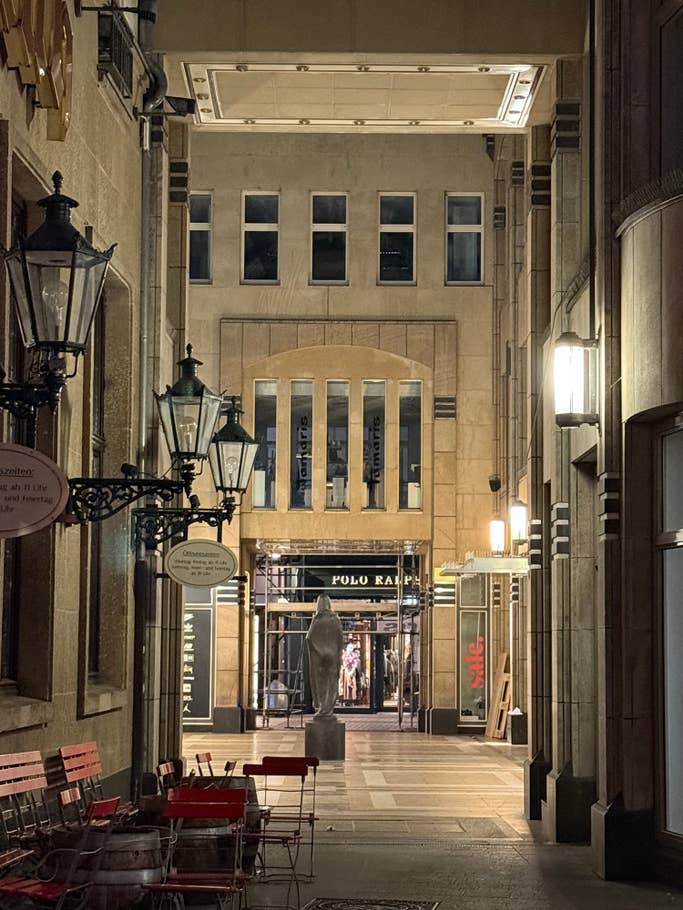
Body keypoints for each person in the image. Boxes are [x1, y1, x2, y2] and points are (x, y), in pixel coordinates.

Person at [306, 594, 343, 716]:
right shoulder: (335, 619)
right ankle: (329, 708)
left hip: (319, 657)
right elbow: (340, 639)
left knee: (321, 682)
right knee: (332, 682)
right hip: (332, 656)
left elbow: (309, 637)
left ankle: (322, 707)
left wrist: (318, 649)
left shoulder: (317, 619)